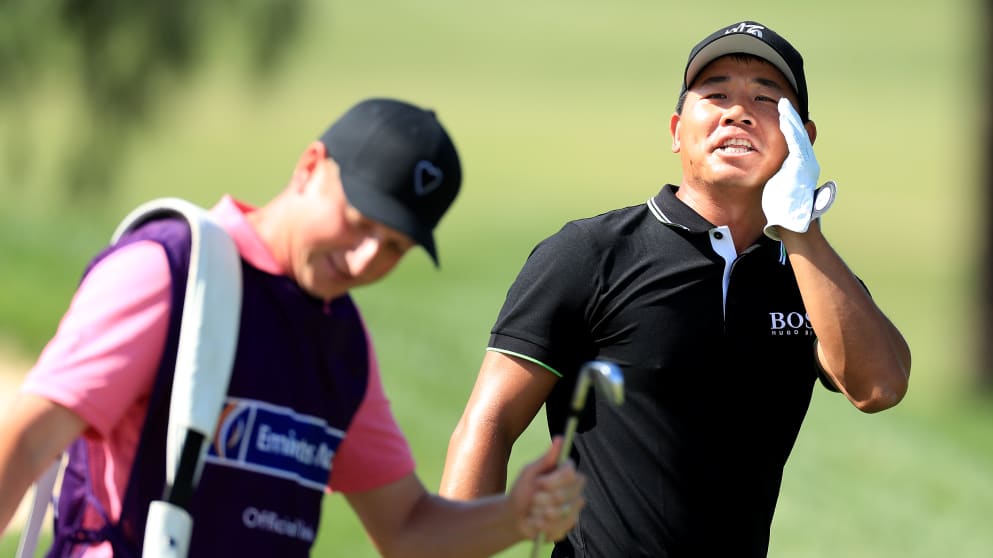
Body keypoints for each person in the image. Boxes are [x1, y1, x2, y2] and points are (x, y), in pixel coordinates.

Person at [0, 97, 587, 557]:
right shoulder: (170, 269)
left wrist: (514, 515)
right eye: (358, 222)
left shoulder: (342, 339)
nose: (364, 259)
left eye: (393, 247)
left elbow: (407, 528)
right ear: (309, 167)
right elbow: (28, 441)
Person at [440, 20, 912, 557]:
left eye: (765, 98)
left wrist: (801, 229)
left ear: (803, 138)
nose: (738, 112)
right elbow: (490, 421)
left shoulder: (811, 275)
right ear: (676, 129)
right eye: (716, 95)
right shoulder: (591, 254)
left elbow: (879, 388)